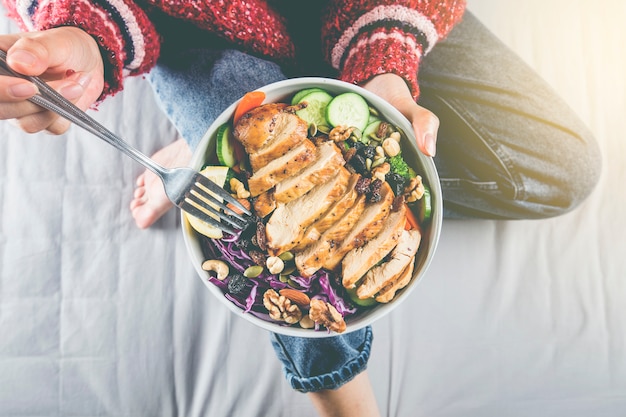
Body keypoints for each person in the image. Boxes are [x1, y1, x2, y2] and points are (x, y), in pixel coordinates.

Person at [0, 1, 601, 416]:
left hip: (358, 7)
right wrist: (84, 34)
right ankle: (336, 389)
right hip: (196, 32)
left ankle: (210, 142)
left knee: (566, 168)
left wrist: (386, 60)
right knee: (283, 257)